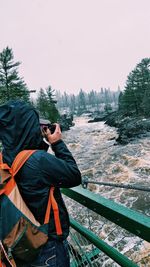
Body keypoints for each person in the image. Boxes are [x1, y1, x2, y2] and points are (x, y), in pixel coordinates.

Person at [0, 100, 81, 267]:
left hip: (22, 244)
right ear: (28, 127)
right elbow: (74, 176)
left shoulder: (3, 158)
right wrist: (57, 143)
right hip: (47, 246)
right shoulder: (38, 160)